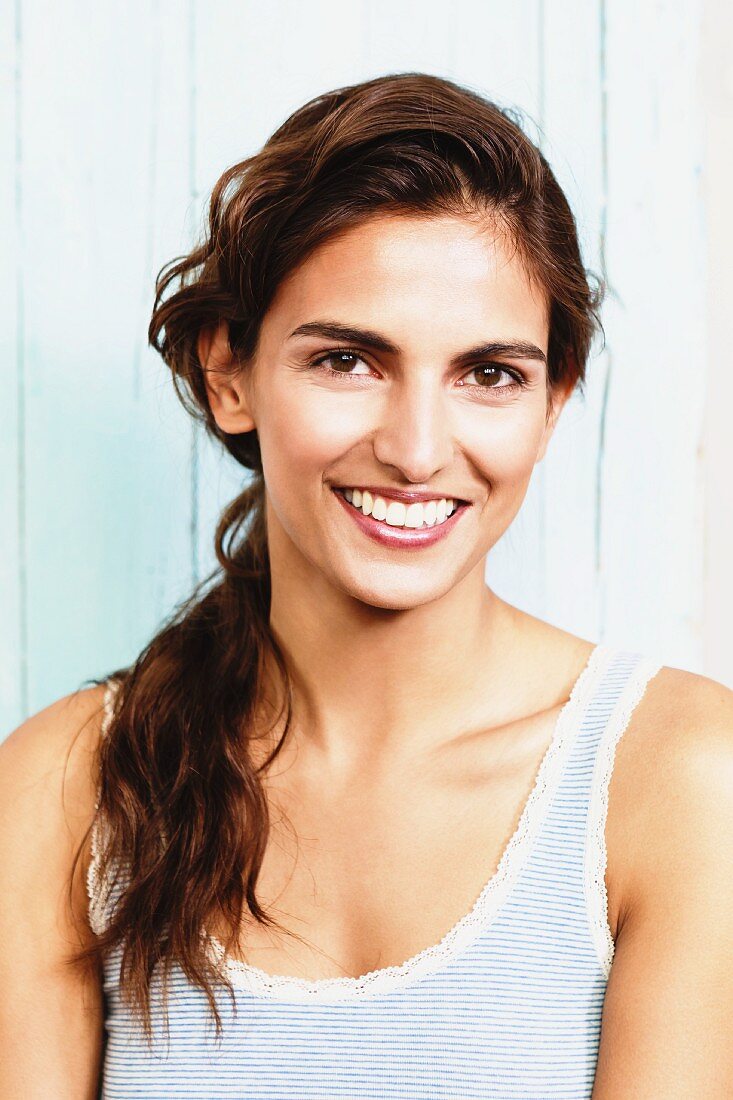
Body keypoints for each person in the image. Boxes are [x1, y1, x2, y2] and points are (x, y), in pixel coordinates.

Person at [1, 71, 731, 1100]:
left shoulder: (680, 780)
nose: (417, 448)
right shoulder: (63, 785)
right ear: (228, 373)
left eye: (489, 373)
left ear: (555, 399)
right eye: (349, 360)